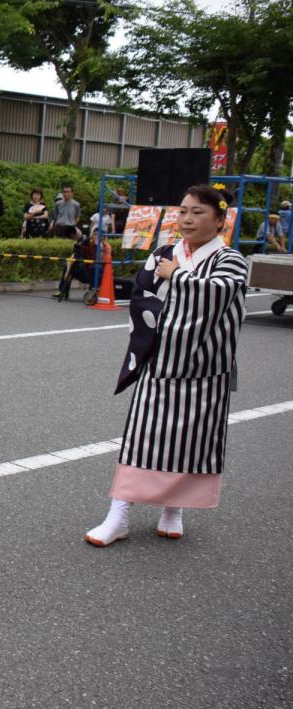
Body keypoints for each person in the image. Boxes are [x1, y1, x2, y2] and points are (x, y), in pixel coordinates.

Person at [84, 185, 247, 547]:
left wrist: (177, 276)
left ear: (220, 220)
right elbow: (142, 298)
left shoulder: (230, 259)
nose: (187, 219)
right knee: (141, 438)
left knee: (192, 443)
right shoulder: (163, 254)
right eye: (183, 211)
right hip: (160, 365)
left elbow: (219, 293)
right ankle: (119, 514)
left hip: (206, 370)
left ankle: (174, 510)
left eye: (198, 212)